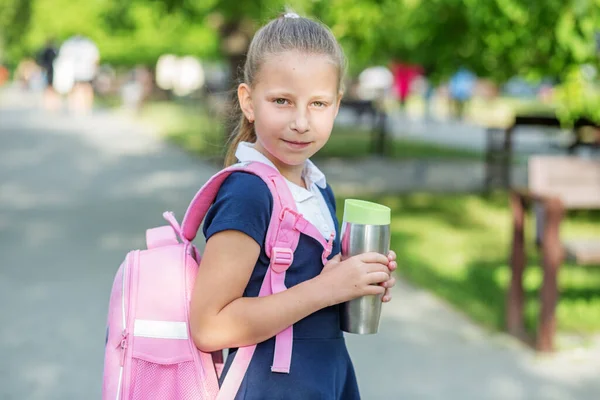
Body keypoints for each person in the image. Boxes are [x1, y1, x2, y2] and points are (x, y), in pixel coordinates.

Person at [189, 12, 397, 399]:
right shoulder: (249, 193)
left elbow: (309, 294)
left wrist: (356, 280)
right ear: (248, 102)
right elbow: (209, 327)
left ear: (336, 105)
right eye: (282, 101)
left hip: (323, 379)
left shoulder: (316, 187)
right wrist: (326, 288)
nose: (301, 122)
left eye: (318, 103)